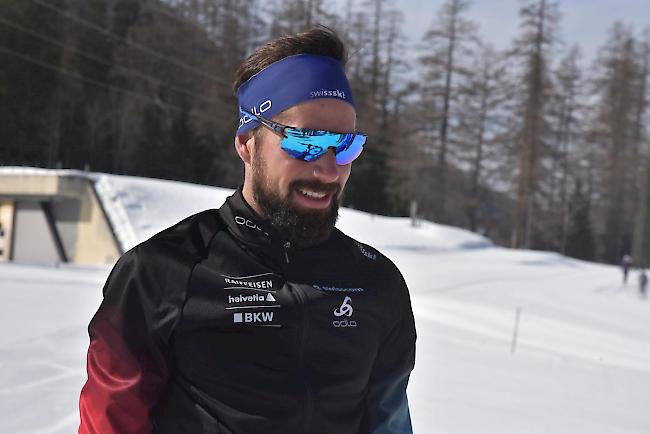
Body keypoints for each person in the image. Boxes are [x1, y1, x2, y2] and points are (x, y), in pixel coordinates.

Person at [78, 27, 416, 434]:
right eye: (306, 141)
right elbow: (110, 422)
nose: (328, 169)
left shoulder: (378, 283)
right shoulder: (162, 270)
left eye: (345, 146)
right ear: (246, 143)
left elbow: (389, 423)